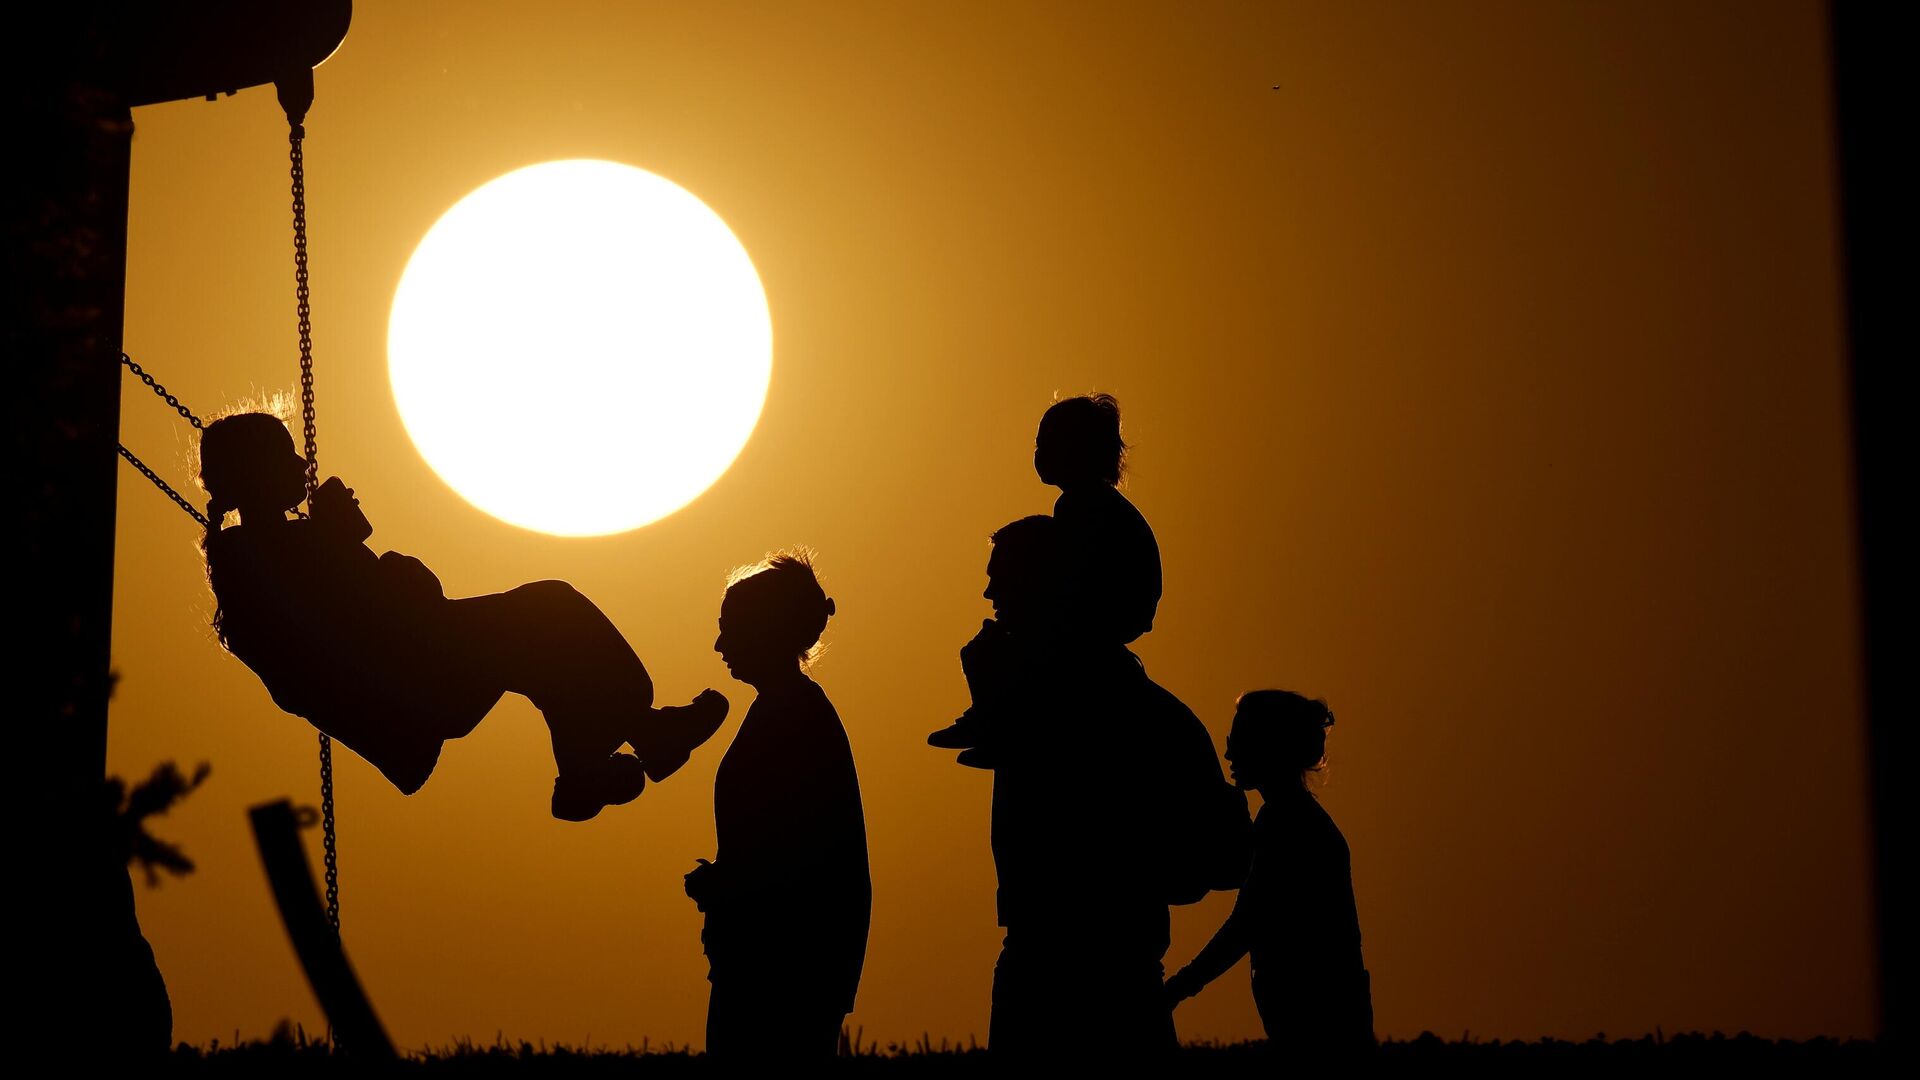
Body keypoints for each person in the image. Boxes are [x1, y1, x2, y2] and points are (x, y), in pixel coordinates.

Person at [197, 410, 727, 821]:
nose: (303, 466)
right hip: (409, 690)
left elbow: (387, 606)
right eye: (287, 458)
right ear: (258, 475)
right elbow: (393, 613)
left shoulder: (262, 556)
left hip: (411, 679)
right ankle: (617, 747)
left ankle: (605, 756)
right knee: (550, 611)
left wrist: (342, 543)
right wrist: (345, 540)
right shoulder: (264, 565)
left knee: (544, 642)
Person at [686, 552, 870, 1060]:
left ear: (765, 630)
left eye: (731, 629)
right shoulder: (787, 709)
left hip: (781, 963)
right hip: (774, 956)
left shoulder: (793, 715)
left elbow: (798, 852)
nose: (720, 644)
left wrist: (727, 886)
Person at [928, 393, 1160, 754]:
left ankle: (990, 721)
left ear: (1078, 448)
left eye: (1046, 444)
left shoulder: (1086, 508)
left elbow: (1071, 576)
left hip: (1098, 617)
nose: (1038, 455)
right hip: (1101, 616)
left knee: (987, 651)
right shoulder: (1090, 506)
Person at [1164, 691, 1374, 1058]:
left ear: (1269, 747)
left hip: (1316, 1025)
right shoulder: (1287, 820)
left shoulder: (1288, 826)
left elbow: (1247, 923)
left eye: (1238, 742)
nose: (1228, 755)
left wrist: (1179, 988)